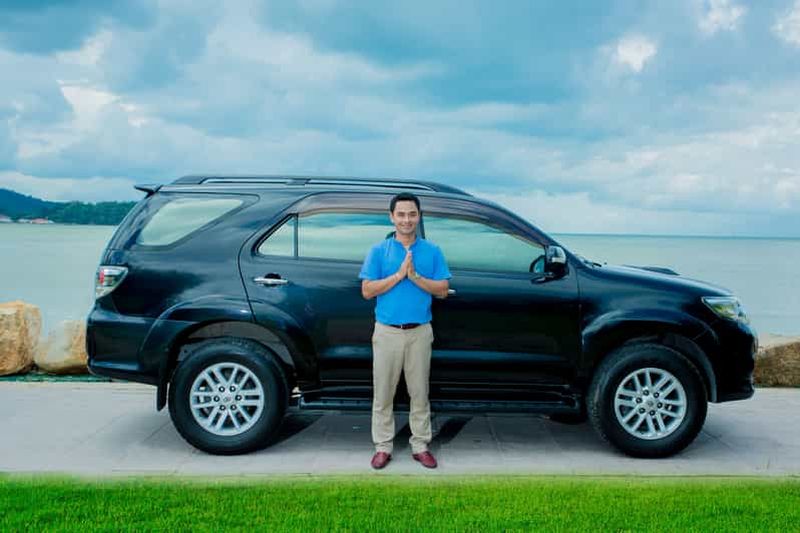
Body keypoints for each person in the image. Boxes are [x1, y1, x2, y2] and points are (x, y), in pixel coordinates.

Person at [359, 192, 451, 469]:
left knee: (419, 393)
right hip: (387, 332)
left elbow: (442, 290)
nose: (406, 220)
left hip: (419, 332)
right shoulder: (379, 251)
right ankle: (383, 447)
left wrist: (415, 276)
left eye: (412, 214)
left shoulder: (432, 251)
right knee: (383, 393)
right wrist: (399, 275)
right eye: (401, 214)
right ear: (392, 217)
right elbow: (367, 290)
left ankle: (420, 445)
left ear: (419, 216)